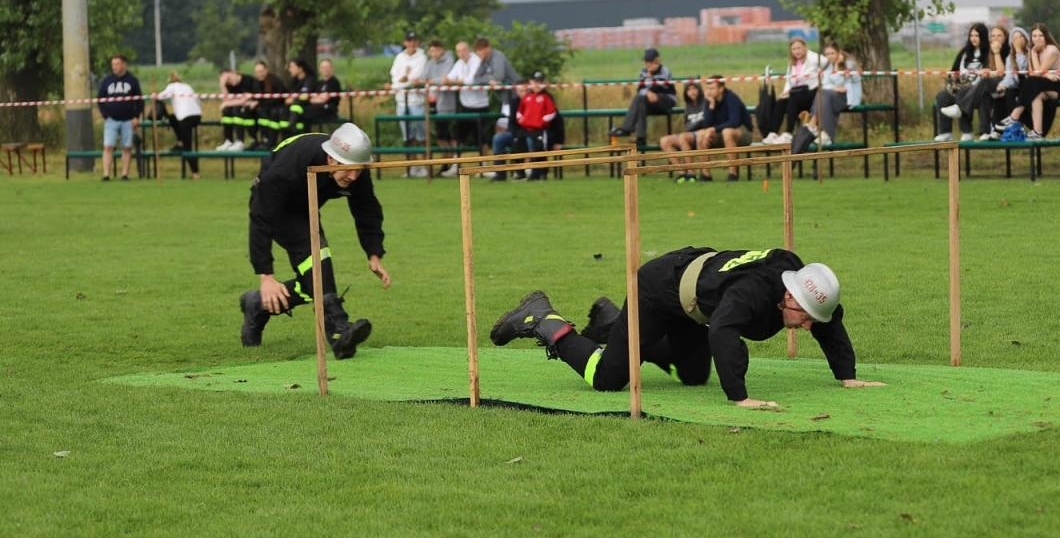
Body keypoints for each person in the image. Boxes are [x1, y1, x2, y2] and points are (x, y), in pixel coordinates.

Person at [489, 248, 884, 409]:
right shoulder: (751, 296)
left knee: (694, 375)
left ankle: (614, 324)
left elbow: (831, 320)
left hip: (695, 305)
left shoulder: (799, 284)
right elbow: (723, 332)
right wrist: (740, 398)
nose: (807, 325)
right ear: (788, 298)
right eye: (805, 316)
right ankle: (544, 320)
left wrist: (847, 376)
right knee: (608, 378)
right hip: (658, 290)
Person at [238, 124, 391, 357]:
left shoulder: (354, 167)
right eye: (349, 170)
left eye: (359, 170)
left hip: (304, 210)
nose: (354, 177)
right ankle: (339, 332)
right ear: (331, 160)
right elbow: (261, 218)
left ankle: (257, 306)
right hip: (276, 208)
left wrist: (374, 253)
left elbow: (366, 209)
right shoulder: (287, 169)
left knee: (315, 279)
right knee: (319, 259)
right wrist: (266, 276)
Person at [995, 24, 1060, 139]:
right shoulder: (1033, 51)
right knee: (1035, 94)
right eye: (1034, 36)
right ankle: (1037, 132)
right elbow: (1034, 73)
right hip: (1047, 84)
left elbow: (1038, 73)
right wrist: (1033, 54)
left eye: (1041, 36)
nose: (1037, 39)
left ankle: (1014, 116)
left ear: (1046, 37)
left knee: (1032, 82)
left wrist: (1043, 73)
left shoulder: (1052, 50)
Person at [796, 42, 861, 152]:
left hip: (848, 97)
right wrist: (835, 87)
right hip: (831, 96)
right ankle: (823, 131)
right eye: (827, 54)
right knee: (822, 93)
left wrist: (838, 68)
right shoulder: (827, 66)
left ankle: (813, 123)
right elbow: (826, 84)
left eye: (832, 53)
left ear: (839, 53)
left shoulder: (849, 64)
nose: (829, 56)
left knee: (824, 94)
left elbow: (852, 80)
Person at [933, 23, 990, 142]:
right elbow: (953, 71)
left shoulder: (988, 53)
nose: (973, 38)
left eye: (977, 36)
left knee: (962, 93)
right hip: (961, 85)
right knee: (942, 96)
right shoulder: (964, 52)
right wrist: (952, 80)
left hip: (979, 90)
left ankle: (967, 131)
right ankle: (945, 132)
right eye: (971, 35)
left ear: (983, 37)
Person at [612, 47, 677, 147]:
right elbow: (640, 89)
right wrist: (648, 90)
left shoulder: (665, 71)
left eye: (651, 61)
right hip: (649, 101)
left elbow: (661, 87)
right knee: (640, 102)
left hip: (666, 101)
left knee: (641, 99)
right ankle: (640, 137)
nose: (648, 64)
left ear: (657, 60)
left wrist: (649, 82)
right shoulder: (643, 72)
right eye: (647, 61)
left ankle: (626, 129)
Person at [97, 55, 142, 181]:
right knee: (108, 146)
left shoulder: (132, 80)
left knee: (127, 147)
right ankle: (106, 174)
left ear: (123, 65)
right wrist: (105, 115)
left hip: (128, 120)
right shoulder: (107, 81)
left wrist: (136, 117)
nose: (114, 67)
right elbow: (100, 99)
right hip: (111, 120)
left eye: (117, 64)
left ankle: (124, 174)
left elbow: (139, 101)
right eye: (113, 64)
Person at [699, 76, 754, 180]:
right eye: (708, 88)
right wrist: (711, 105)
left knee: (727, 132)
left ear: (721, 88)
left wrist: (713, 129)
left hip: (743, 132)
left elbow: (734, 122)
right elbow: (706, 125)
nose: (709, 92)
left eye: (712, 88)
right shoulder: (710, 100)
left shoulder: (731, 98)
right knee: (701, 134)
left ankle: (733, 173)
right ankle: (706, 174)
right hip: (721, 132)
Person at [155, 70, 202, 179]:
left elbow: (162, 96)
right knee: (172, 118)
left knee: (188, 147)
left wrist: (155, 95)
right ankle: (180, 142)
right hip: (197, 116)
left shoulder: (172, 86)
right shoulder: (187, 86)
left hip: (186, 117)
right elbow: (198, 101)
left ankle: (195, 173)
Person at [444, 40, 482, 175]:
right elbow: (448, 78)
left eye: (463, 50)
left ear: (469, 49)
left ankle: (483, 167)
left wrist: (455, 81)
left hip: (480, 105)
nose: (461, 53)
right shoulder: (459, 63)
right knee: (459, 136)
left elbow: (469, 80)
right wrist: (451, 80)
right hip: (465, 105)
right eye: (458, 51)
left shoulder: (477, 61)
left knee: (481, 139)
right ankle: (456, 166)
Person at [659, 80, 709, 181]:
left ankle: (691, 173)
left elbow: (707, 122)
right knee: (664, 141)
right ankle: (681, 172)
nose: (692, 92)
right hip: (691, 134)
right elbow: (687, 126)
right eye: (689, 90)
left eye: (694, 88)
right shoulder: (688, 106)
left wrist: (695, 126)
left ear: (699, 89)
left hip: (704, 135)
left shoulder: (706, 103)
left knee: (683, 137)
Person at [777, 38, 824, 140]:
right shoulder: (792, 63)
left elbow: (827, 64)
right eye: (794, 49)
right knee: (781, 101)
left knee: (793, 99)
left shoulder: (813, 58)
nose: (797, 51)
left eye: (799, 48)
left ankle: (789, 132)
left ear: (805, 47)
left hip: (811, 93)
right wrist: (785, 92)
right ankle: (773, 133)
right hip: (797, 93)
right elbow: (789, 80)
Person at [390, 31, 428, 150]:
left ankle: (426, 163)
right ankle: (413, 166)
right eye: (409, 40)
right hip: (401, 101)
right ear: (405, 42)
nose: (412, 43)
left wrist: (402, 80)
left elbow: (416, 78)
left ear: (418, 42)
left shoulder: (422, 58)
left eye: (414, 40)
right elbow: (394, 77)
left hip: (417, 101)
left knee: (422, 135)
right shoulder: (399, 57)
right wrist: (403, 79)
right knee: (407, 136)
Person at [248, 60, 288, 149]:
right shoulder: (256, 83)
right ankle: (255, 140)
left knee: (267, 113)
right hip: (264, 109)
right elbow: (255, 96)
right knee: (248, 112)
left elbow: (279, 98)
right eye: (257, 72)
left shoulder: (275, 80)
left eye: (261, 71)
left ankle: (270, 141)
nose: (260, 74)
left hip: (277, 108)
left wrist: (259, 102)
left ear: (266, 70)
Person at [217, 67, 256, 152]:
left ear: (233, 73)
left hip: (253, 112)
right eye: (226, 81)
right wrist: (222, 85)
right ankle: (228, 141)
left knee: (236, 109)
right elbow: (226, 101)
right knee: (226, 110)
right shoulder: (228, 86)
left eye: (228, 78)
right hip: (242, 109)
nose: (229, 82)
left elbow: (244, 100)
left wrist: (227, 103)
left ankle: (240, 141)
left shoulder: (248, 80)